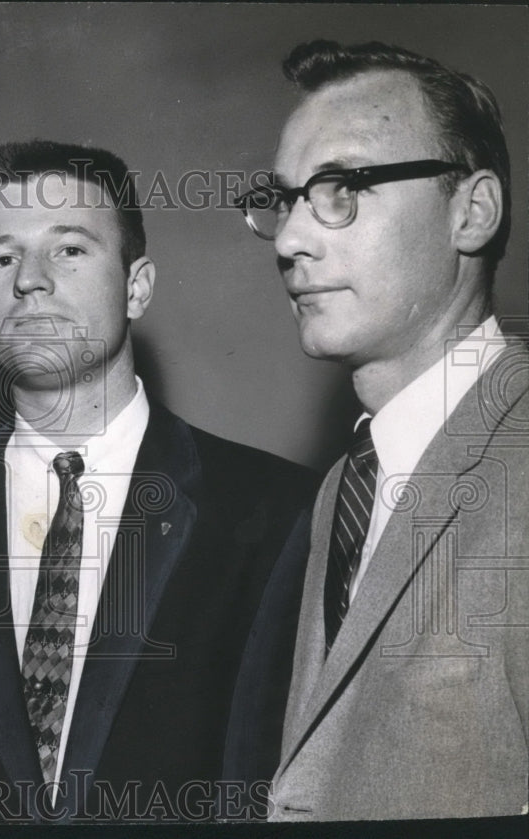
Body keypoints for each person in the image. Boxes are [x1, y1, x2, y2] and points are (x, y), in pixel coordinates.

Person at [0, 140, 317, 823]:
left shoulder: (276, 512)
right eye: (1, 256)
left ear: (137, 285)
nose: (30, 279)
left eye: (69, 249)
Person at [235, 41, 528, 820]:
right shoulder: (343, 486)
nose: (293, 239)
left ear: (472, 211)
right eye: (287, 198)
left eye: (341, 187)